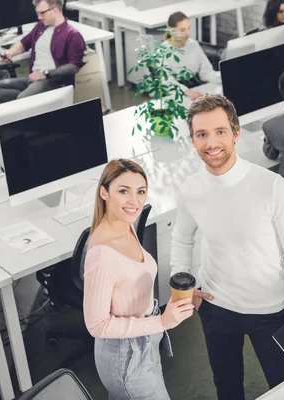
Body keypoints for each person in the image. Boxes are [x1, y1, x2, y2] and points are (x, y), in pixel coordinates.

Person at [170, 95, 284, 400]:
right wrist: (184, 289)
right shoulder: (191, 189)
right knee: (226, 387)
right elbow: (181, 238)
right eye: (202, 134)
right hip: (215, 307)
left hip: (268, 310)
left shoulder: (272, 187)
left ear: (236, 133)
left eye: (220, 132)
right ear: (193, 140)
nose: (211, 143)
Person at [84, 159, 195, 400]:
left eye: (141, 192)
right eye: (124, 191)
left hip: (144, 340)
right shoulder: (102, 256)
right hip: (126, 357)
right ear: (104, 192)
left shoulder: (125, 225)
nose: (135, 201)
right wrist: (162, 322)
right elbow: (97, 325)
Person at [0, 0, 85, 105]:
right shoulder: (40, 27)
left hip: (53, 81)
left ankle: (25, 102)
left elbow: (74, 66)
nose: (39, 17)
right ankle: (26, 102)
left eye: (42, 13)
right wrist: (11, 52)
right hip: (33, 78)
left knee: (23, 99)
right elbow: (23, 43)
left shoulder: (72, 35)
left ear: (55, 10)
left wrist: (46, 74)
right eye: (38, 13)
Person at [163, 11, 220, 101]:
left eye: (189, 28)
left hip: (196, 91)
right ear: (171, 30)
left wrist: (222, 77)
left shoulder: (194, 45)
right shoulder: (162, 51)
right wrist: (187, 92)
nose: (187, 33)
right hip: (177, 95)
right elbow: (167, 82)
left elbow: (206, 73)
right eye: (182, 30)